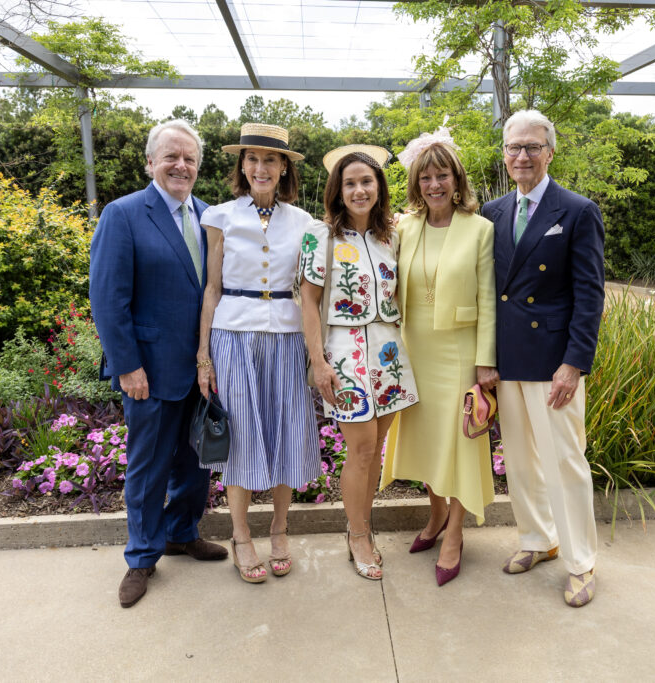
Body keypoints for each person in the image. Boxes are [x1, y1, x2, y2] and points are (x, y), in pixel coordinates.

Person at [90, 119, 226, 609]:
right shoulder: (123, 214)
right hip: (148, 370)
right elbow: (108, 299)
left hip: (203, 369)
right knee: (148, 468)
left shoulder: (212, 217)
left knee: (196, 461)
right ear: (150, 162)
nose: (180, 165)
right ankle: (141, 556)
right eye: (171, 156)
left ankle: (182, 533)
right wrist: (127, 366)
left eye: (189, 158)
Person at [481, 109, 605, 608]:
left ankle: (581, 563)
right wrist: (484, 360)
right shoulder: (491, 213)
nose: (522, 155)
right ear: (504, 154)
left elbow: (589, 293)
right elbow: (488, 290)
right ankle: (538, 539)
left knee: (564, 463)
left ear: (550, 152)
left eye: (532, 146)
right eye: (514, 147)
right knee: (521, 462)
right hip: (508, 358)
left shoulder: (576, 210)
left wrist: (574, 363)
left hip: (554, 362)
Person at [195, 123, 320, 584]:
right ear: (241, 165)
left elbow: (310, 292)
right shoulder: (219, 216)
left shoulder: (305, 223)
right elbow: (211, 288)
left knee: (287, 428)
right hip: (233, 334)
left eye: (270, 160)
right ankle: (242, 535)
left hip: (286, 336)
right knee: (242, 436)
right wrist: (203, 355)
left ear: (284, 167)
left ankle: (280, 529)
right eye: (252, 159)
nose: (260, 168)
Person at [380, 129, 498, 586]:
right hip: (415, 350)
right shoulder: (404, 227)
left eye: (442, 175)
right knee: (429, 444)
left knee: (459, 446)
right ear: (416, 182)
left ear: (456, 179)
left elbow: (488, 299)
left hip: (460, 351)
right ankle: (433, 518)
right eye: (425, 176)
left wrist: (485, 362)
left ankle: (454, 534)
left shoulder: (480, 228)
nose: (434, 184)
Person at [298, 145, 418, 581]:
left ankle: (361, 526)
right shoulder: (321, 235)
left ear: (379, 187)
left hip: (387, 353)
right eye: (350, 183)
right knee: (361, 448)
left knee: (375, 449)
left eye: (367, 181)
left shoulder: (393, 235)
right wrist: (318, 362)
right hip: (344, 353)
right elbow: (308, 303)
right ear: (338, 189)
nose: (359, 189)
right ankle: (359, 536)